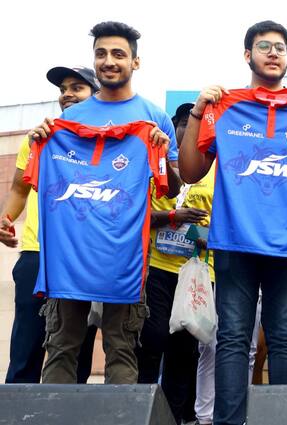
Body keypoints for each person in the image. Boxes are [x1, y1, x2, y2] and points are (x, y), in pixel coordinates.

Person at [178, 20, 287, 425]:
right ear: (248, 55)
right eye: (264, 46)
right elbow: (188, 171)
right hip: (235, 243)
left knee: (286, 341)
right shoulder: (226, 106)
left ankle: (285, 421)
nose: (273, 52)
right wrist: (201, 111)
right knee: (233, 341)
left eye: (280, 47)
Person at [27, 21, 180, 385]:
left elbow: (172, 189)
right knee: (61, 346)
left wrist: (159, 151)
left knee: (122, 348)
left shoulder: (154, 117)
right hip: (70, 257)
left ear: (135, 63)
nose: (108, 61)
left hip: (124, 257)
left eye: (118, 54)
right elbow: (48, 190)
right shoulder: (69, 120)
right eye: (101, 54)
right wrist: (41, 142)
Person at [0, 66, 99, 383]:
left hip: (85, 257)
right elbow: (19, 189)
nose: (67, 93)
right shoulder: (39, 138)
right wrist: (4, 220)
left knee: (77, 349)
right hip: (37, 254)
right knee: (26, 346)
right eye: (63, 88)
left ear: (97, 95)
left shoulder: (111, 141)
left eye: (77, 87)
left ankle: (73, 413)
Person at [135, 102, 213, 424]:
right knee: (151, 342)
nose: (186, 129)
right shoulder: (156, 162)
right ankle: (142, 412)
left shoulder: (214, 169)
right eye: (181, 123)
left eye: (191, 123)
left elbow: (225, 221)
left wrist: (206, 232)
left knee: (184, 352)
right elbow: (138, 216)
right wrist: (172, 216)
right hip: (157, 270)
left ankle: (176, 417)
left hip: (196, 275)